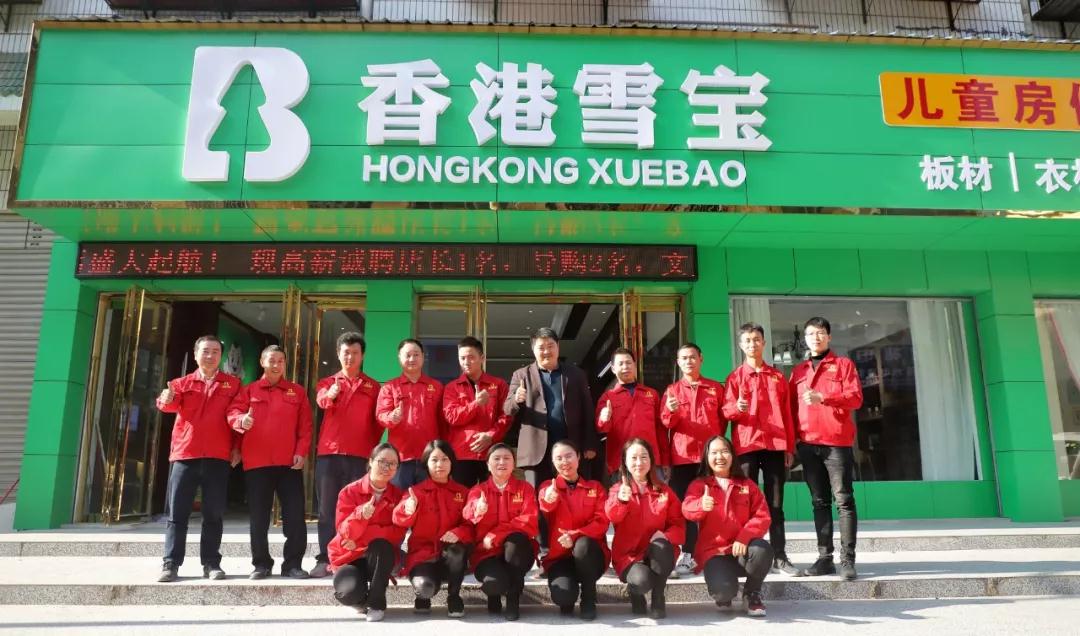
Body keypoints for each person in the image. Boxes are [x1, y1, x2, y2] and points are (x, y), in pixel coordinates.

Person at [155, 335, 242, 582]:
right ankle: (171, 564)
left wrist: (237, 448)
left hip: (218, 456)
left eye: (215, 351)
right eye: (205, 351)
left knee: (213, 514)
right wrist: (166, 399)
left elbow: (237, 416)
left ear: (221, 356)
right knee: (177, 514)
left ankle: (211, 563)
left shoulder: (233, 385)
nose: (210, 355)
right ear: (195, 355)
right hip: (186, 455)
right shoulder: (181, 384)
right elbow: (166, 404)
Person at [504, 327, 597, 554]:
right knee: (539, 500)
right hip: (536, 450)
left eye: (550, 346)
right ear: (533, 350)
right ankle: (544, 547)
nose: (546, 351)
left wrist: (589, 444)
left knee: (572, 499)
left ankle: (573, 544)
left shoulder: (575, 374)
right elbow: (507, 409)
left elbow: (587, 409)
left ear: (558, 347)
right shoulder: (521, 375)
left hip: (569, 449)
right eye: (541, 347)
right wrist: (517, 399)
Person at [721, 323, 801, 576]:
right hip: (746, 445)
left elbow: (787, 414)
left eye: (756, 339)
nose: (752, 344)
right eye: (747, 340)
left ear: (764, 343)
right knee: (744, 503)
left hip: (775, 445)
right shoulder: (735, 377)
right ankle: (746, 554)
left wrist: (789, 446)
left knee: (775, 504)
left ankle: (780, 556)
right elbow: (726, 411)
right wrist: (737, 409)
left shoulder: (777, 376)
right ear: (740, 345)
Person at [227, 345, 312, 580]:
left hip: (289, 463)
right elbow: (233, 413)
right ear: (262, 362)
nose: (276, 365)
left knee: (295, 516)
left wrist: (301, 452)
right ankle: (261, 564)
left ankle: (293, 564)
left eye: (280, 361)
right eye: (271, 360)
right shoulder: (249, 390)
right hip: (257, 463)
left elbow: (305, 427)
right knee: (259, 518)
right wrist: (240, 421)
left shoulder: (297, 392)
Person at [789, 316, 864, 580]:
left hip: (836, 443)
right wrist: (793, 443)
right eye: (811, 334)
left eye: (820, 333)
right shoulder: (798, 372)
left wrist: (824, 397)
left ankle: (847, 560)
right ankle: (825, 558)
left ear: (829, 337)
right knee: (819, 502)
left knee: (844, 500)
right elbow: (791, 409)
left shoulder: (843, 365)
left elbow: (855, 398)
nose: (816, 337)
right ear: (805, 339)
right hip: (808, 444)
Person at [311, 332, 382, 579]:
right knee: (327, 510)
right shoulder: (327, 382)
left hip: (360, 456)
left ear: (362, 356)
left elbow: (377, 424)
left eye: (355, 353)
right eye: (346, 353)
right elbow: (322, 401)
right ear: (338, 354)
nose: (350, 357)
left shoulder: (374, 387)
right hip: (329, 454)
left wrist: (371, 452)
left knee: (359, 509)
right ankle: (325, 557)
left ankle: (353, 557)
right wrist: (330, 394)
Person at [681, 435, 773, 617]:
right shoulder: (699, 485)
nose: (719, 457)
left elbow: (762, 515)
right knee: (723, 594)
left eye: (724, 451)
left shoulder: (747, 485)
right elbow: (687, 509)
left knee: (762, 550)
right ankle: (726, 590)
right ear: (707, 457)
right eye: (714, 453)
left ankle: (751, 594)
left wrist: (744, 537)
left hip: (742, 550)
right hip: (715, 553)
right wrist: (700, 505)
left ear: (732, 455)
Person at [660, 342, 726, 577]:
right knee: (685, 508)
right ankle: (687, 554)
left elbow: (723, 422)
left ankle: (713, 552)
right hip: (682, 457)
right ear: (678, 363)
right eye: (684, 358)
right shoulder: (672, 391)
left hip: (710, 459)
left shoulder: (715, 388)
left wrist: (716, 449)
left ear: (701, 359)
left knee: (714, 506)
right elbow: (666, 424)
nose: (689, 361)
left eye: (692, 357)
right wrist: (671, 410)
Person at [392, 439, 472, 619]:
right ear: (426, 463)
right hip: (423, 556)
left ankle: (454, 596)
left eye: (444, 459)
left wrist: (458, 533)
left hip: (450, 558)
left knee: (457, 550)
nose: (439, 464)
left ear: (452, 462)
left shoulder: (463, 492)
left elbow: (470, 525)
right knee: (425, 588)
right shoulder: (415, 492)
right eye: (434, 460)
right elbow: (398, 518)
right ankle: (423, 594)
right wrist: (408, 509)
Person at [605, 438, 684, 619]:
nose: (639, 463)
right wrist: (621, 500)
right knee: (641, 581)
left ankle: (658, 597)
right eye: (633, 458)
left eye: (644, 457)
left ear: (651, 461)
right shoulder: (618, 490)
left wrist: (665, 535)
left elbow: (678, 525)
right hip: (629, 556)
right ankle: (635, 593)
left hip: (658, 553)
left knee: (662, 545)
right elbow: (612, 516)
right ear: (625, 462)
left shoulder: (664, 491)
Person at [328, 442, 406, 623]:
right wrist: (360, 515)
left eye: (393, 464)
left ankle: (377, 604)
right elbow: (344, 532)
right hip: (350, 555)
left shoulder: (398, 496)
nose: (387, 467)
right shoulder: (349, 492)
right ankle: (363, 601)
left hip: (379, 557)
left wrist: (363, 537)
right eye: (382, 461)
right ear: (370, 461)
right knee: (347, 593)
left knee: (382, 546)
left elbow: (397, 533)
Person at [463, 444, 539, 622]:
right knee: (493, 584)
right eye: (496, 458)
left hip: (517, 553)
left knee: (515, 540)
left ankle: (513, 600)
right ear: (488, 464)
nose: (502, 462)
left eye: (507, 458)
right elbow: (467, 514)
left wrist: (497, 534)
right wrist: (477, 509)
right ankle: (494, 596)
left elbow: (530, 520)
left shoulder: (525, 488)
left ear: (514, 464)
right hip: (486, 554)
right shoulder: (478, 491)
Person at [538, 440, 610, 621]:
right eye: (559, 458)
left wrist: (575, 535)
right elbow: (545, 504)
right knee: (564, 599)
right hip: (560, 557)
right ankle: (569, 592)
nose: (564, 461)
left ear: (578, 457)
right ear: (553, 462)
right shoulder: (547, 487)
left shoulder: (595, 488)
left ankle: (588, 598)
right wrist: (549, 499)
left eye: (569, 456)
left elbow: (602, 522)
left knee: (583, 545)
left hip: (590, 555)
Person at [442, 336, 510, 487]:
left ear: (482, 358)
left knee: (493, 496)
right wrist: (476, 404)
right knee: (462, 498)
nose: (466, 362)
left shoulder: (499, 385)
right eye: (462, 358)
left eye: (471, 357)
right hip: (462, 454)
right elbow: (451, 417)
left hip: (491, 453)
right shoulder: (452, 387)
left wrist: (491, 436)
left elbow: (506, 416)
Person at [376, 339, 444, 489]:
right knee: (399, 500)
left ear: (423, 357)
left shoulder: (436, 386)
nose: (412, 359)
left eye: (416, 354)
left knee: (428, 500)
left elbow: (444, 421)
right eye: (407, 355)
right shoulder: (389, 387)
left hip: (429, 458)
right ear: (399, 358)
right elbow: (381, 415)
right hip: (400, 458)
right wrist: (392, 417)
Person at [596, 347, 668, 485]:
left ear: (635, 365)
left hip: (651, 460)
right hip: (621, 463)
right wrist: (604, 419)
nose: (625, 367)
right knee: (625, 498)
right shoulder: (607, 397)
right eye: (621, 364)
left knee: (657, 497)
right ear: (613, 369)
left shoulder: (651, 394)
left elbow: (660, 430)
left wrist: (665, 460)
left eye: (629, 363)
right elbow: (602, 429)